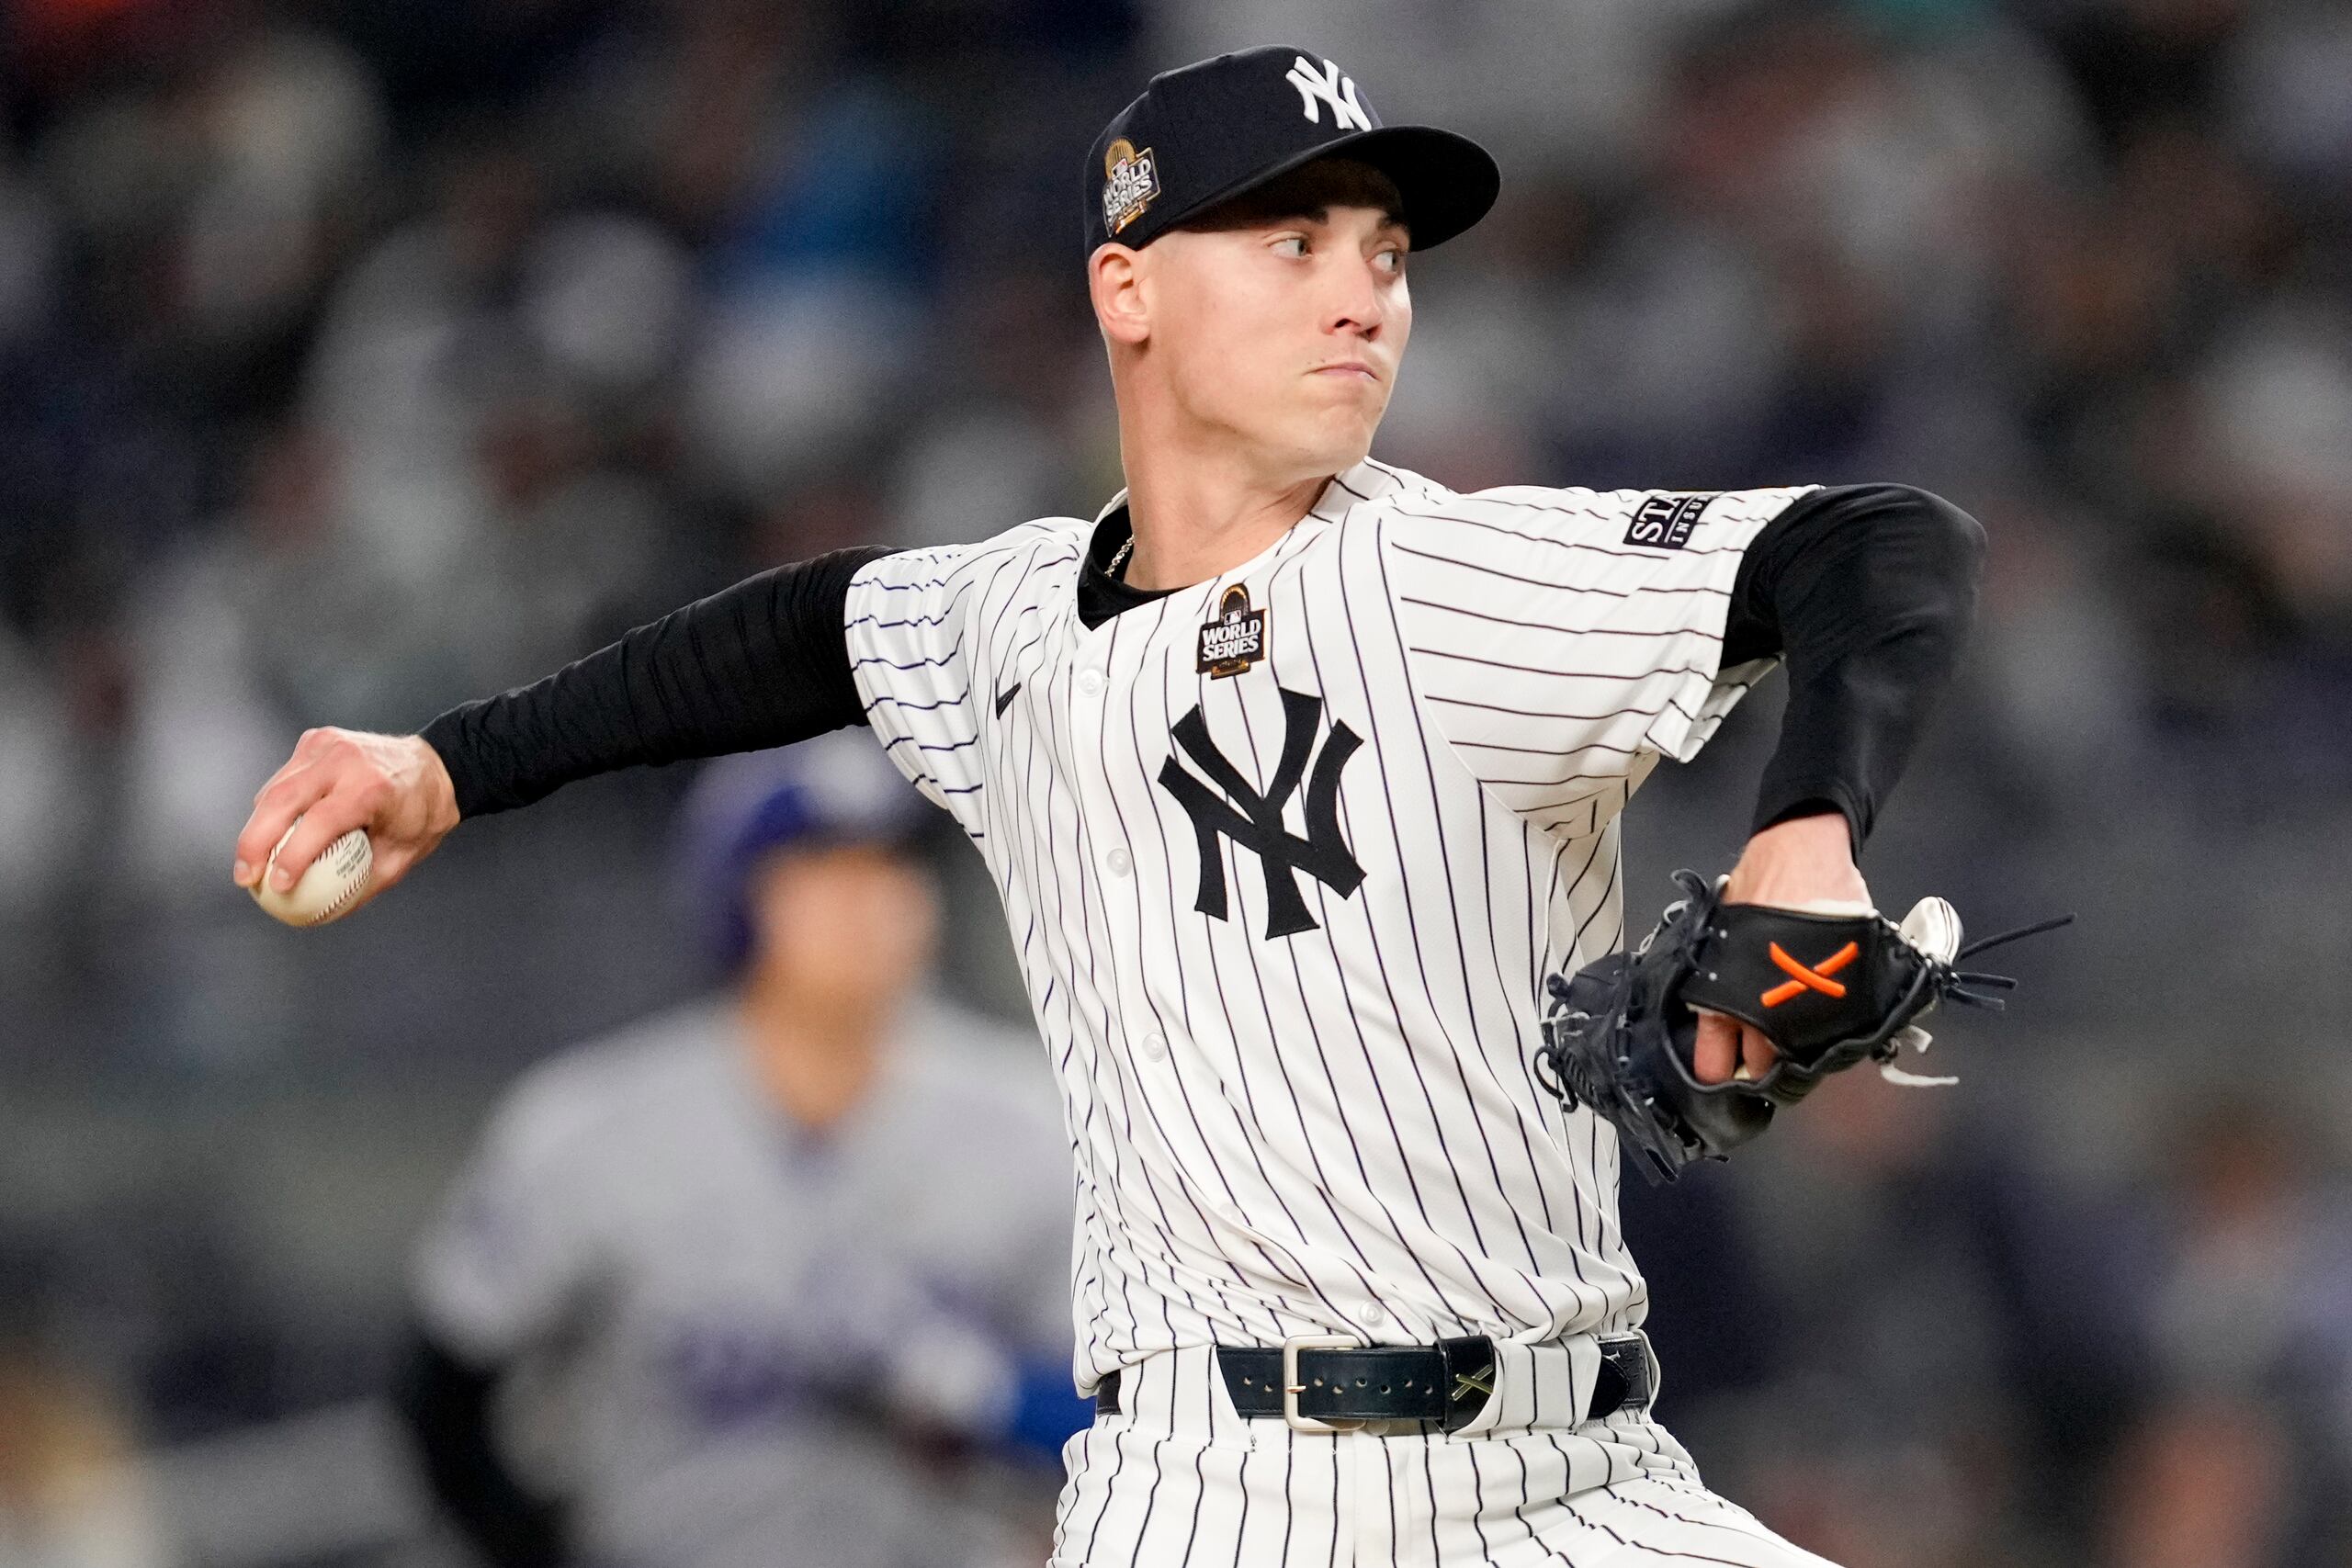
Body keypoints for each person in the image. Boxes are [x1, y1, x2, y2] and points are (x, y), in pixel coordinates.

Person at [242, 47, 1984, 1566]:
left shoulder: (1452, 573)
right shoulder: (1005, 624)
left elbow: (1879, 542)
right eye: (1293, 242)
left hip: (1570, 1478)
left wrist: (1809, 829)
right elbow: (792, 633)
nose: (1365, 293)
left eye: (1386, 253)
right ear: (1128, 290)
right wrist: (448, 765)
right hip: (1203, 1492)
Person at [391, 736, 1083, 1568]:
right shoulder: (588, 1125)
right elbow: (445, 1396)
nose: (873, 902)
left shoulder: (1040, 1117)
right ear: (734, 895)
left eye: (896, 866)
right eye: (825, 868)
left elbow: (1150, 1415)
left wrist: (989, 1392)